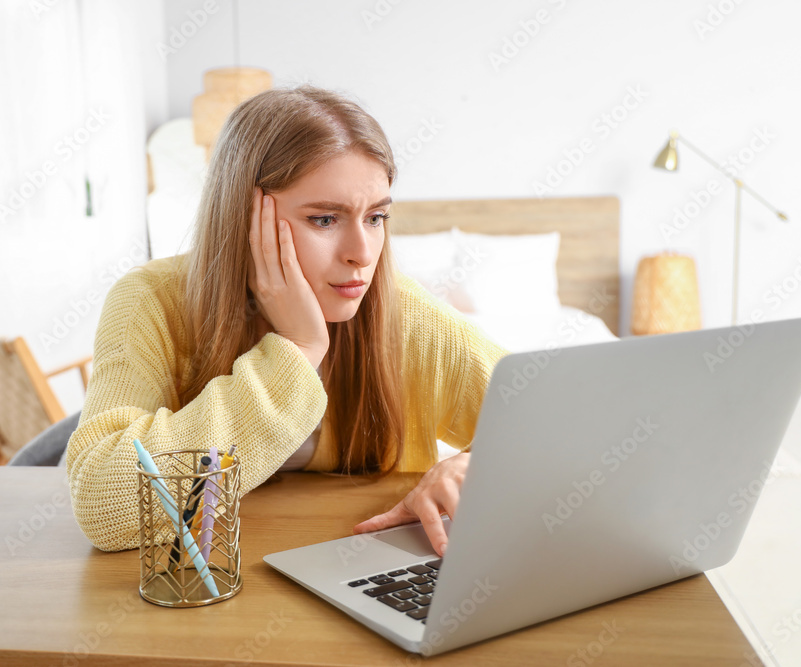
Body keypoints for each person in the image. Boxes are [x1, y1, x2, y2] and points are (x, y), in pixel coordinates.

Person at [65, 85, 508, 557]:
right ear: (244, 218)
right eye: (324, 220)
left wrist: (473, 466)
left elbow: (570, 426)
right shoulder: (151, 301)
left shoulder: (404, 312)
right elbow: (102, 506)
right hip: (205, 587)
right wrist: (295, 351)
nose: (362, 254)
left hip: (363, 570)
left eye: (376, 217)